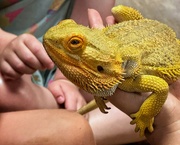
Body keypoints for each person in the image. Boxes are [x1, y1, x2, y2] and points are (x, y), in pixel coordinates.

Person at [89, 8, 180, 145]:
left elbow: (161, 88)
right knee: (116, 10)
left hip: (163, 52)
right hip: (145, 34)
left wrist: (146, 115)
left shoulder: (131, 77)